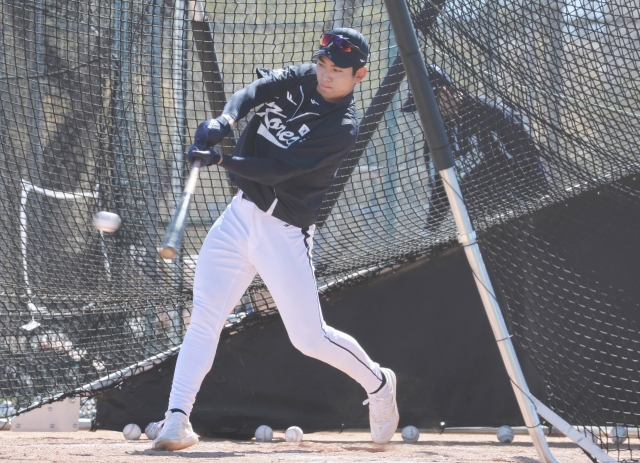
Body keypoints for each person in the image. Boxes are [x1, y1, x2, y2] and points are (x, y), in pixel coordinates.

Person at [150, 28, 399, 451]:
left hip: (283, 230)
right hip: (239, 217)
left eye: (337, 70)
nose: (325, 74)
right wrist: (225, 119)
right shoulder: (308, 77)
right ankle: (177, 418)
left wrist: (221, 157)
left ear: (360, 75)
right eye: (323, 64)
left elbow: (277, 172)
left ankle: (379, 384)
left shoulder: (342, 128)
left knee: (309, 338)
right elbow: (258, 89)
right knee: (205, 318)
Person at [403, 65, 549, 228]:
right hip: (482, 228)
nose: (424, 113)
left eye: (427, 105)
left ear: (445, 92)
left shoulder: (492, 112)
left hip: (526, 218)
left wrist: (538, 213)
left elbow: (529, 165)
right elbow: (442, 190)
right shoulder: (436, 136)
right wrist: (429, 232)